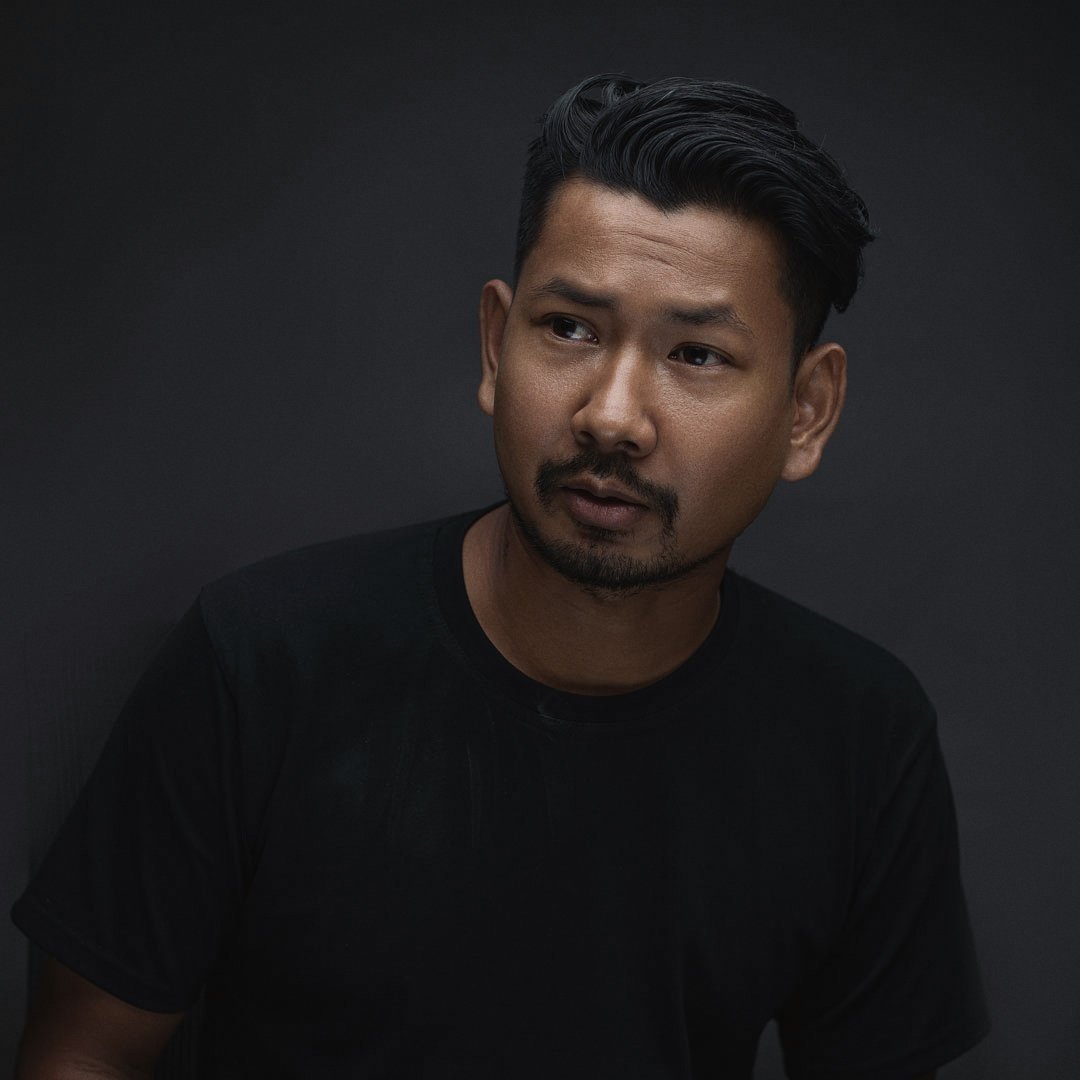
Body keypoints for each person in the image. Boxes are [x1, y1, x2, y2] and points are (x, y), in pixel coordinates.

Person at [12, 74, 989, 1078]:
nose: (612, 416)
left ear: (806, 412)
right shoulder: (261, 660)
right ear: (494, 344)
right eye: (570, 329)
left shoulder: (859, 736)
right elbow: (84, 1058)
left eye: (697, 353)